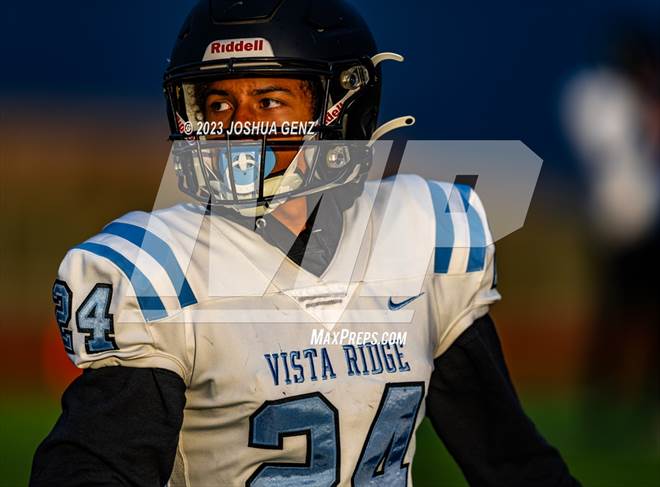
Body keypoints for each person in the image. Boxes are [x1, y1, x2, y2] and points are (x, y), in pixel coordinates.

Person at [31, 1, 579, 485]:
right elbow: (93, 469)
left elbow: (508, 459)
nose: (237, 128)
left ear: (346, 106)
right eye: (218, 104)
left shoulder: (423, 235)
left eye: (269, 102)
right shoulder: (161, 268)